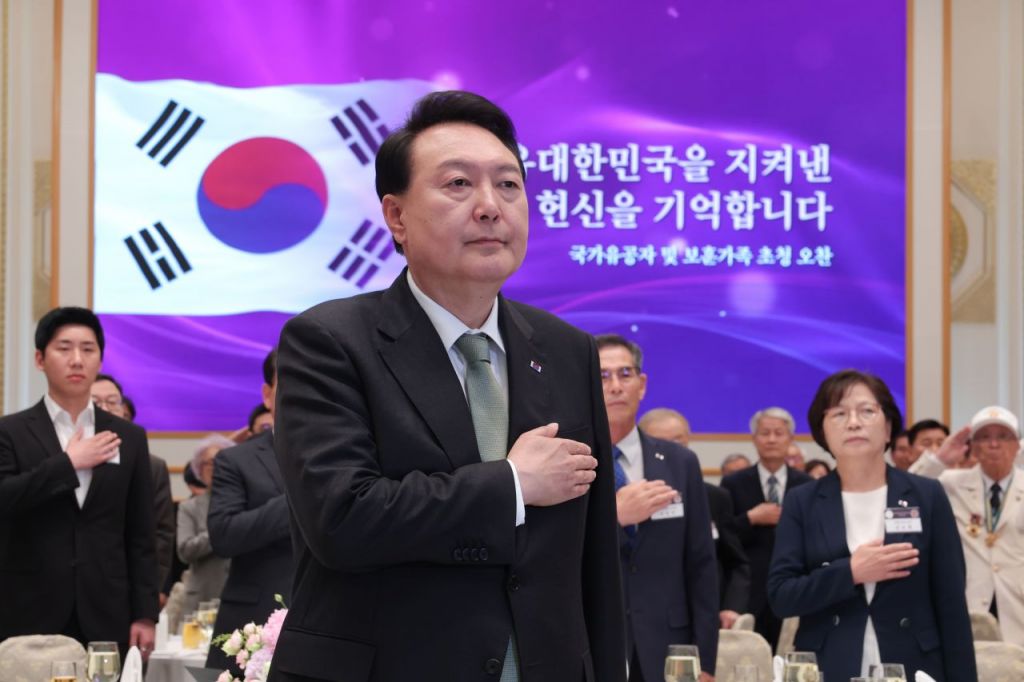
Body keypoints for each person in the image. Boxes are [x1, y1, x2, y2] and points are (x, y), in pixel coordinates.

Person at [269, 91, 625, 682]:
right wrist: (512, 485)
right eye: (459, 184)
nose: (490, 206)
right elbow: (342, 520)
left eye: (508, 185)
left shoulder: (567, 350)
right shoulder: (328, 341)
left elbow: (594, 561)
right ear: (396, 216)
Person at [767, 370, 975, 681]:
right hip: (829, 665)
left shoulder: (927, 495)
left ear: (888, 428)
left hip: (914, 664)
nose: (853, 422)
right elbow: (781, 596)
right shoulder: (802, 501)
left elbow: (952, 604)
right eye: (839, 414)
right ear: (823, 432)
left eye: (866, 411)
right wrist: (851, 572)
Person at [0, 307, 158, 657]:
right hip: (28, 610)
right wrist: (68, 464)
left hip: (108, 611)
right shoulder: (10, 432)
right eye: (64, 348)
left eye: (88, 349)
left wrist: (145, 613)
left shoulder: (128, 436)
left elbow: (141, 533)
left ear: (99, 359)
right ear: (40, 359)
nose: (76, 359)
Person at [597, 336, 717, 681]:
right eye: (602, 376)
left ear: (642, 384)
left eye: (625, 374)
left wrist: (705, 660)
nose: (615, 386)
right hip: (594, 641)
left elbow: (701, 564)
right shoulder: (570, 460)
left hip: (670, 647)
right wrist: (613, 518)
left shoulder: (680, 462)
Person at [206, 348, 293, 673]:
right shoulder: (235, 460)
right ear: (268, 395)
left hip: (331, 621)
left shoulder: (349, 456)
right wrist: (299, 499)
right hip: (252, 624)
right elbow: (224, 535)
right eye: (290, 383)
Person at [909, 406, 1024, 646]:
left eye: (1003, 437)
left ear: (1017, 445)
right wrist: (938, 460)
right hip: (968, 604)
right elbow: (908, 492)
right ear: (972, 446)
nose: (994, 444)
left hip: (1017, 605)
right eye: (984, 437)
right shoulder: (951, 484)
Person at [639, 406, 751, 630]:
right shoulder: (627, 496)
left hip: (703, 618)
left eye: (678, 441)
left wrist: (731, 606)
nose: (671, 450)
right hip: (645, 617)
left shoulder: (714, 497)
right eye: (661, 442)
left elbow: (735, 560)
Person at [720, 407, 811, 649]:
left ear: (790, 439)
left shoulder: (806, 485)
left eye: (778, 433)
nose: (771, 439)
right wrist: (750, 518)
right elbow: (723, 536)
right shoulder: (733, 482)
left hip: (793, 586)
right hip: (749, 590)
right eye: (765, 433)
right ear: (754, 438)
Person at [91, 372, 176, 606]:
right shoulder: (68, 458)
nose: (105, 409)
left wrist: (154, 588)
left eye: (112, 402)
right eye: (96, 402)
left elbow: (162, 533)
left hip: (128, 584)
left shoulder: (153, 466)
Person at [176, 434, 234, 617]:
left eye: (224, 460)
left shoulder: (248, 504)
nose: (219, 467)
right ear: (199, 470)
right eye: (211, 462)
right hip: (202, 600)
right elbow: (185, 550)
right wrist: (221, 529)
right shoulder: (189, 507)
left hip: (241, 597)